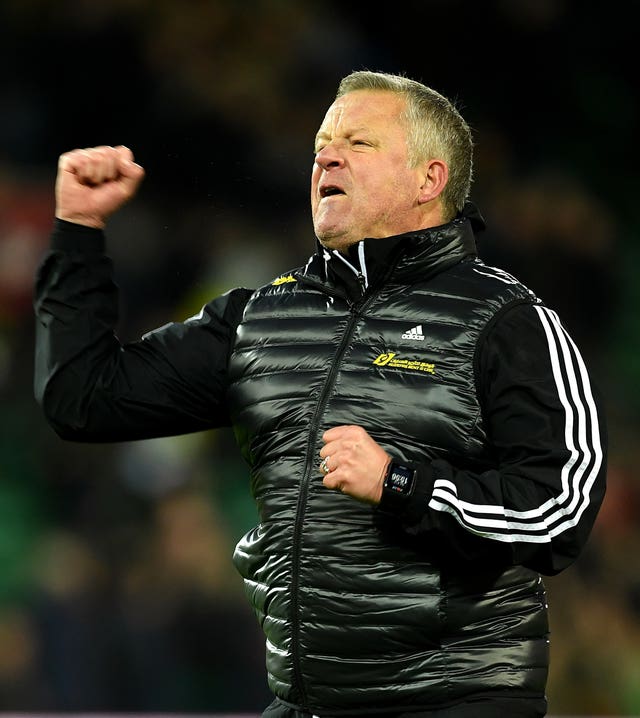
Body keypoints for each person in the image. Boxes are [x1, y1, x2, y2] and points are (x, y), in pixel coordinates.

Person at [34, 70, 607, 718]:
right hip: (307, 703)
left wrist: (402, 484)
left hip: (457, 699)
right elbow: (82, 399)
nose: (327, 157)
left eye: (358, 143)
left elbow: (558, 512)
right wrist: (77, 234)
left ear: (430, 179)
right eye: (322, 145)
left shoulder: (509, 321)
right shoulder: (259, 320)